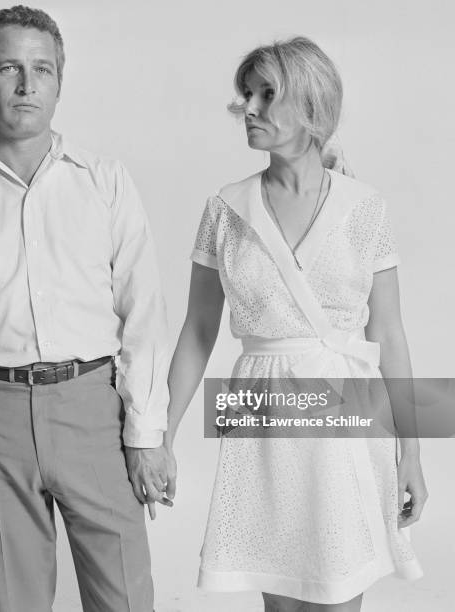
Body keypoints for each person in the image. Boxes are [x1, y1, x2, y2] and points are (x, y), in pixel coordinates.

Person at [0, 6, 172, 612]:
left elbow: (144, 314)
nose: (26, 85)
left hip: (95, 411)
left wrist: (146, 433)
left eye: (41, 70)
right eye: (8, 68)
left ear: (59, 81)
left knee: (125, 600)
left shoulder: (106, 182)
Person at [164, 37, 427, 611]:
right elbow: (198, 330)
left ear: (310, 107)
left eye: (266, 95)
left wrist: (411, 450)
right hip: (260, 409)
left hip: (345, 407)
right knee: (279, 598)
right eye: (247, 95)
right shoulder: (227, 209)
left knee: (338, 592)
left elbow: (390, 334)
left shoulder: (364, 207)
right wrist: (164, 435)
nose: (249, 109)